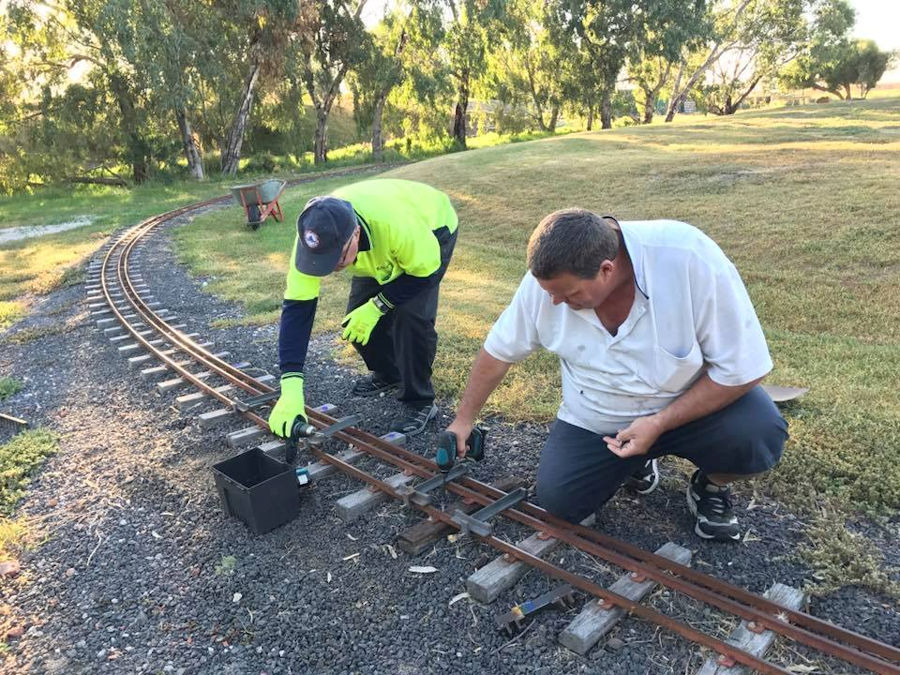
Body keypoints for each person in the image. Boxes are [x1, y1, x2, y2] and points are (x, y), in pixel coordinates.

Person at [444, 208, 787, 541]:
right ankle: (633, 461)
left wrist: (659, 423)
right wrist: (463, 419)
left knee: (759, 433)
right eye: (550, 293)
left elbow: (743, 370)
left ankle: (708, 485)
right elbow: (499, 351)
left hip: (687, 409)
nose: (554, 303)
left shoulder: (688, 258)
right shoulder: (552, 282)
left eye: (568, 295)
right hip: (599, 417)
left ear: (607, 269)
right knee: (561, 502)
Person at [268, 178, 458, 439]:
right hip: (377, 248)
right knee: (356, 319)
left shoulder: (395, 225)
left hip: (431, 229)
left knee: (410, 317)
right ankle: (390, 373)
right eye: (321, 260)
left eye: (336, 259)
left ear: (355, 234)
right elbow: (297, 310)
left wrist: (379, 304)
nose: (329, 267)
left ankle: (420, 402)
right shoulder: (313, 236)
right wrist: (290, 388)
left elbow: (424, 274)